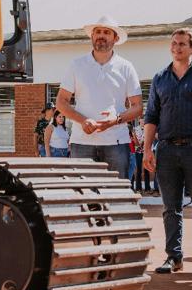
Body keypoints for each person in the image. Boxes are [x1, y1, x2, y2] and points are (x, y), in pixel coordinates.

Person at [143, 27, 192, 276]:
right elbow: (151, 116)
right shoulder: (159, 78)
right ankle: (173, 257)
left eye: (182, 44)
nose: (177, 48)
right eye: (174, 43)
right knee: (170, 208)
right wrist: (147, 149)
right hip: (166, 150)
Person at [56, 16, 143, 180]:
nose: (101, 35)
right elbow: (61, 102)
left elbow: (138, 107)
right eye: (98, 32)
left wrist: (116, 120)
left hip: (116, 142)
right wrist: (83, 121)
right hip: (81, 142)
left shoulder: (126, 67)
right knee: (83, 193)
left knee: (117, 192)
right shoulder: (76, 65)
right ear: (92, 36)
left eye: (106, 32)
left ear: (115, 38)